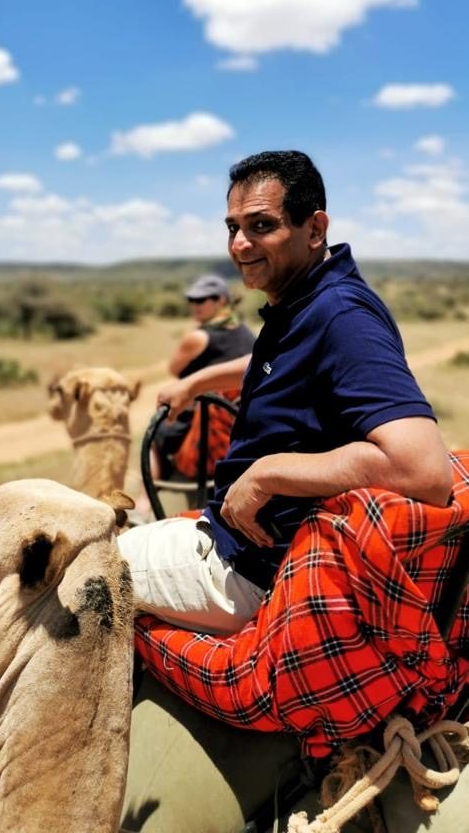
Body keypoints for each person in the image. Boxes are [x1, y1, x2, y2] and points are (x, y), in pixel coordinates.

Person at [118, 150, 452, 635]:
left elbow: (423, 469)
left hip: (249, 570)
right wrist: (196, 382)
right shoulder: (306, 301)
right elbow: (277, 361)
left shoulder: (342, 317)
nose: (239, 244)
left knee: (77, 568)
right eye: (232, 227)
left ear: (314, 229)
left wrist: (267, 473)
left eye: (260, 226)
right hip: (240, 543)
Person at [149, 273, 255, 481]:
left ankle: (145, 500)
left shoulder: (198, 337)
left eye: (201, 300)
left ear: (221, 301)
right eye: (191, 300)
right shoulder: (245, 331)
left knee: (154, 433)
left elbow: (173, 369)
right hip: (240, 415)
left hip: (208, 418)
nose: (194, 305)